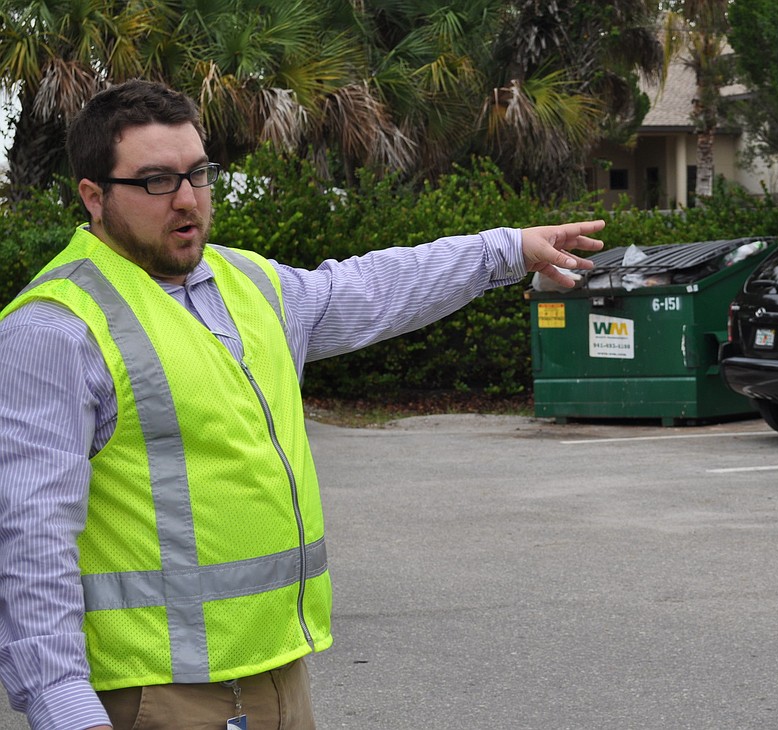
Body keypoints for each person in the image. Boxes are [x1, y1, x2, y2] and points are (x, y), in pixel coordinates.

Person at [0, 79, 604, 729]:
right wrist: (61, 705)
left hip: (279, 679)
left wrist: (506, 250)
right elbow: (30, 538)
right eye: (155, 181)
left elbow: (372, 288)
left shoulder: (249, 285)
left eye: (198, 174)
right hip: (158, 698)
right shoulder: (54, 330)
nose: (186, 200)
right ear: (93, 196)